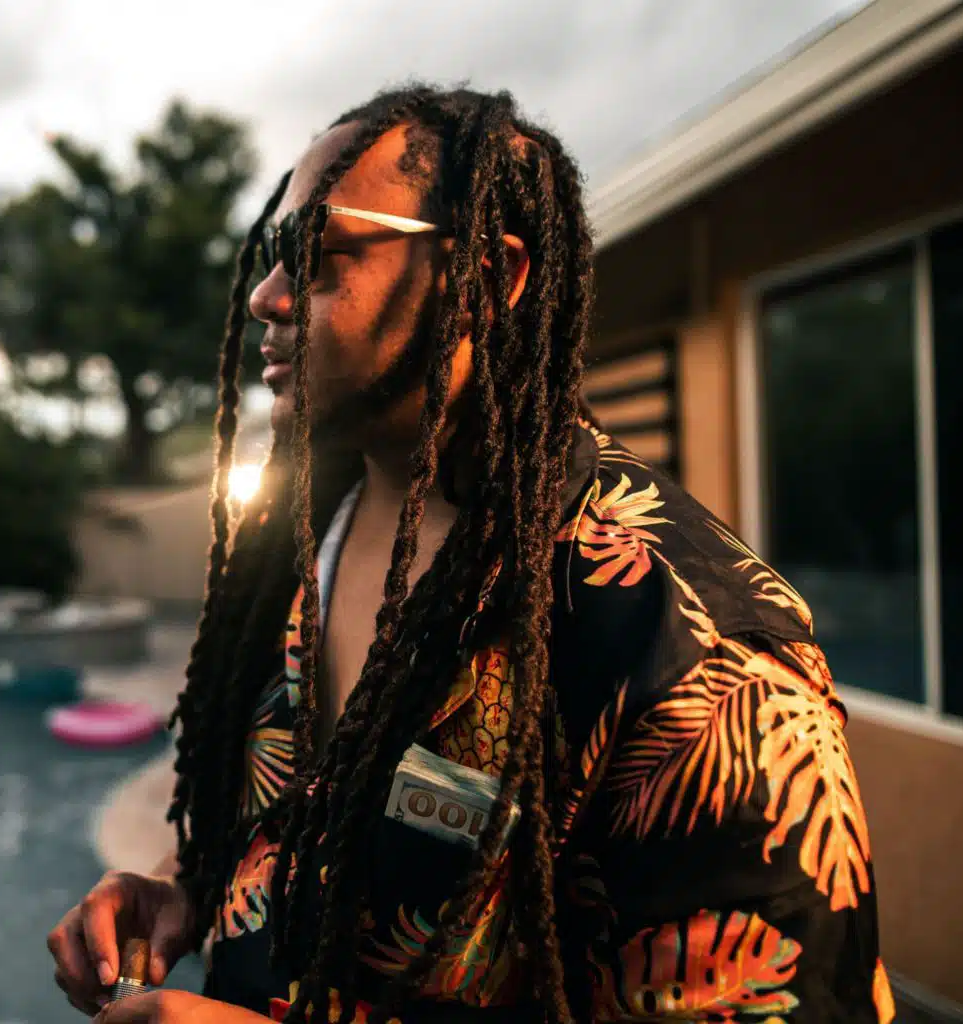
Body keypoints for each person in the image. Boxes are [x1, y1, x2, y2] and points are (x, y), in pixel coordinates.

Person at [48, 85, 895, 1024]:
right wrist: (188, 884)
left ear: (486, 277)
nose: (266, 297)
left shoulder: (690, 646)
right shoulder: (302, 533)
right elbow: (295, 815)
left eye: (316, 253)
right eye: (269, 255)